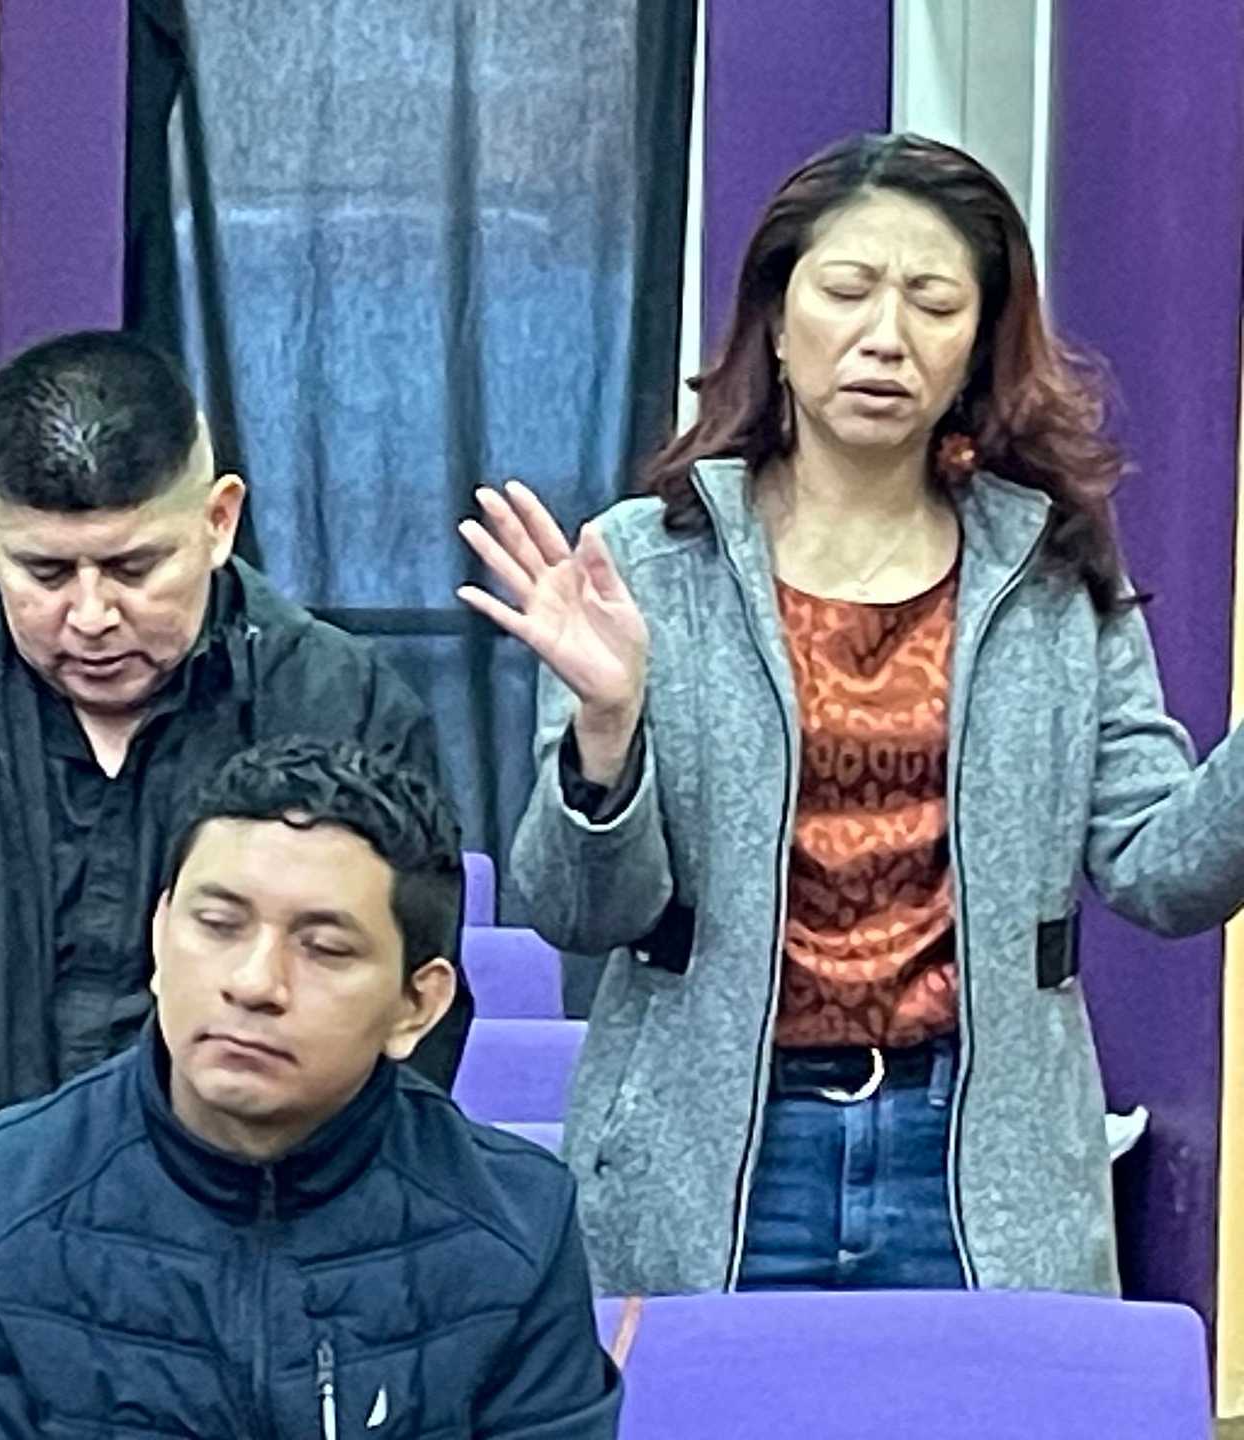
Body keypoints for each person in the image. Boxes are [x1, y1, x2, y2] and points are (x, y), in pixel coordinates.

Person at [460, 133, 1244, 1295]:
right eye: (846, 291)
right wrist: (608, 730)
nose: (886, 336)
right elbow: (583, 915)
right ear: (776, 319)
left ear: (979, 343)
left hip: (979, 1153)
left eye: (934, 303)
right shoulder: (645, 561)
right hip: (715, 1142)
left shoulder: (1049, 563)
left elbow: (1160, 872)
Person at [0, 330, 472, 1321]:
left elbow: (389, 1022)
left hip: (253, 1284)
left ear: (219, 522)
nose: (90, 616)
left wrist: (179, 1237)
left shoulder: (344, 706)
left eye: (136, 567)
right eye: (45, 573)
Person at [0, 738, 619, 1438]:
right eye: (219, 925)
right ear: (160, 938)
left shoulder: (517, 1224)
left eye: (323, 948)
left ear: (415, 1005)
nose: (255, 983)